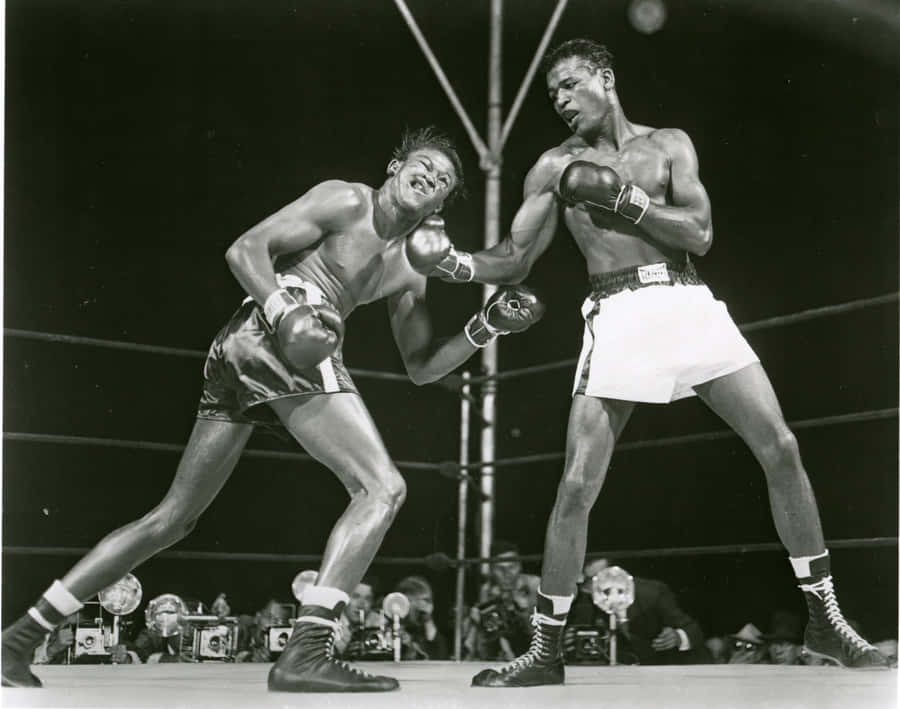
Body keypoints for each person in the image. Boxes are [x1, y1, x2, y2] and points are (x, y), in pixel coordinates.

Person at [1, 127, 546, 692]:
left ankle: (16, 641)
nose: (430, 179)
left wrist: (486, 327)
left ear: (439, 205)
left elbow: (421, 366)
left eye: (442, 182)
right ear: (394, 166)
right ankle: (307, 652)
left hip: (250, 350)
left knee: (172, 518)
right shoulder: (348, 199)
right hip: (275, 333)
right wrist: (288, 312)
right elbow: (245, 250)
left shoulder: (412, 267)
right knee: (382, 489)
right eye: (424, 166)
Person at [433, 39, 889, 686]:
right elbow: (514, 256)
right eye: (552, 93)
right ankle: (546, 648)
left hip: (685, 297)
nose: (561, 100)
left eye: (570, 84)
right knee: (576, 486)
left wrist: (629, 203)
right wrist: (454, 263)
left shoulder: (669, 144)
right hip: (616, 311)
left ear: (606, 78)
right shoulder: (553, 167)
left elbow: (700, 233)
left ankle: (825, 620)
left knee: (781, 446)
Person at [565, 557, 708, 665]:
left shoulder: (652, 592)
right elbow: (581, 642)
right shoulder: (587, 601)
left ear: (620, 575)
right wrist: (568, 641)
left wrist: (678, 637)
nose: (594, 585)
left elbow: (694, 630)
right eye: (589, 580)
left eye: (602, 577)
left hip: (665, 671)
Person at [393, 576, 450, 660]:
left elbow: (438, 657)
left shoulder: (425, 631)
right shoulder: (394, 628)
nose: (423, 605)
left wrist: (427, 619)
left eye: (427, 600)